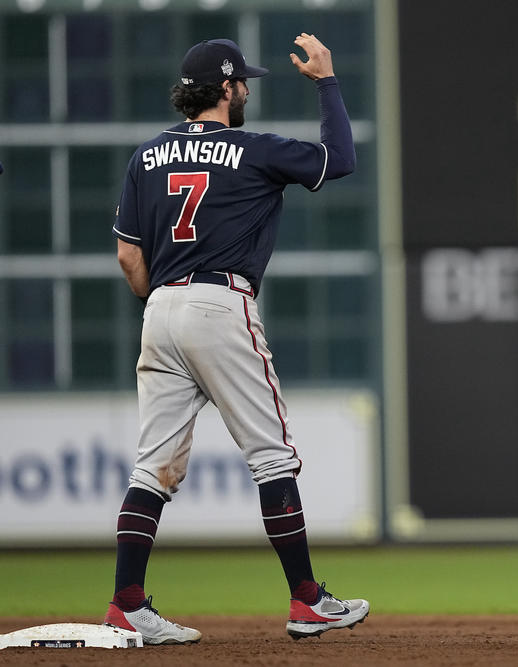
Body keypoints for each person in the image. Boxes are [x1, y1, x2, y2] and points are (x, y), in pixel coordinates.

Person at [104, 34, 369, 644]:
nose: (247, 88)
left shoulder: (145, 156)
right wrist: (327, 83)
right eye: (242, 80)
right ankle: (308, 601)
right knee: (271, 454)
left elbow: (126, 254)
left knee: (153, 469)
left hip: (161, 306)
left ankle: (127, 604)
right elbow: (340, 161)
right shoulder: (254, 149)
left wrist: (164, 302)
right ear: (225, 89)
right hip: (221, 303)